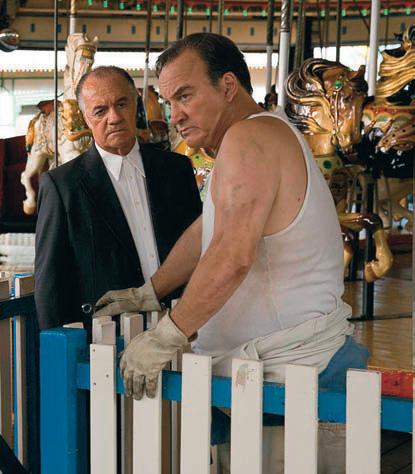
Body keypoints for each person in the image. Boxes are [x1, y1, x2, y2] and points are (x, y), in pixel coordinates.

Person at [95, 35, 369, 472]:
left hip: (291, 385)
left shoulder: (250, 137)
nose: (175, 115)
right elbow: (208, 231)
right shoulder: (256, 137)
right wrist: (151, 291)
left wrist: (168, 335)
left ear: (227, 86)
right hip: (266, 384)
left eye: (185, 96)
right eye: (169, 102)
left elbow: (230, 255)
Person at [34, 66, 202, 331]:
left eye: (121, 104)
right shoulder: (63, 185)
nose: (114, 117)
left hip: (181, 326)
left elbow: (201, 248)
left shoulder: (176, 169)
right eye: (100, 111)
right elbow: (50, 282)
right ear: (86, 118)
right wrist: (59, 345)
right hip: (105, 335)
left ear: (136, 104)